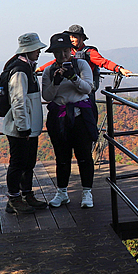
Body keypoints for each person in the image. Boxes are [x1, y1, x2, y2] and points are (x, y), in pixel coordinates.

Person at [41, 32, 99, 208]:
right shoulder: (49, 71)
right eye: (58, 52)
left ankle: (87, 192)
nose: (62, 55)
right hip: (59, 118)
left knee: (84, 156)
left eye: (66, 51)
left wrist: (74, 77)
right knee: (62, 157)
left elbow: (88, 89)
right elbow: (47, 95)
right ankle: (62, 193)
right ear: (53, 54)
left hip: (81, 117)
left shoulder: (81, 65)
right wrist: (56, 82)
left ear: (71, 50)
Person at [1, 32, 49, 214]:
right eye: (36, 49)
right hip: (21, 128)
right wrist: (23, 128)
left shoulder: (26, 67)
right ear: (27, 50)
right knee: (18, 163)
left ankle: (25, 195)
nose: (39, 52)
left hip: (28, 127)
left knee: (28, 163)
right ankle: (15, 198)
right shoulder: (20, 70)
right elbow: (18, 101)